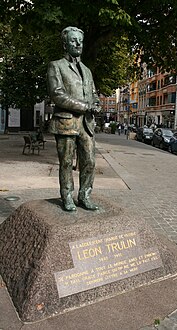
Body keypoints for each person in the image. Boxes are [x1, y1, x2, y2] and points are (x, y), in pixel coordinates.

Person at [47, 26, 101, 212]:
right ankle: (67, 196)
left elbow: (93, 94)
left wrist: (97, 103)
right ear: (65, 43)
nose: (78, 44)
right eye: (73, 40)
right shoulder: (56, 66)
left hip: (86, 124)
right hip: (66, 122)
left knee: (90, 161)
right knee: (67, 162)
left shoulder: (87, 70)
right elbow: (58, 95)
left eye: (80, 41)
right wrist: (85, 106)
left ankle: (85, 195)